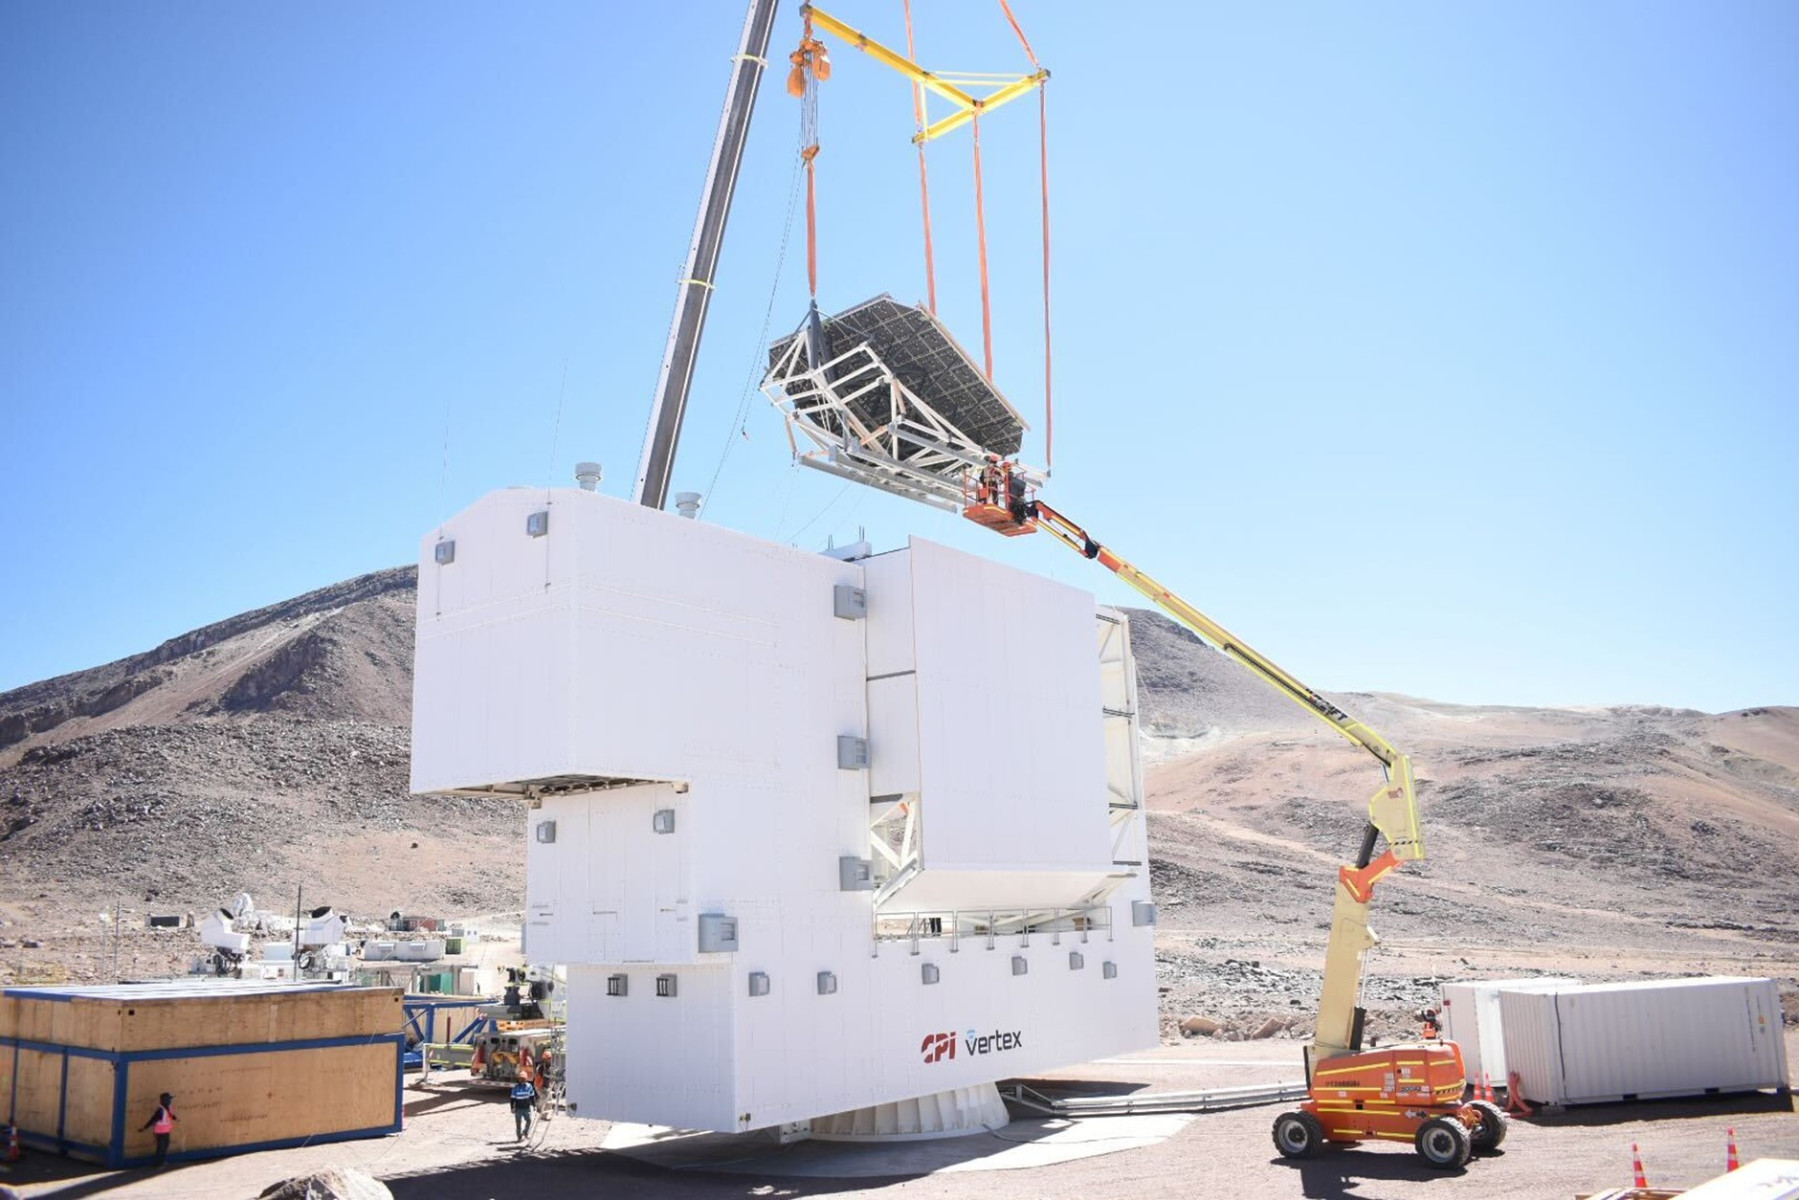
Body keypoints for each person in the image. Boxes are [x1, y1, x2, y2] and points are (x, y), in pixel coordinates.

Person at [139, 1092, 176, 1167]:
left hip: (166, 1131)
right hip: (160, 1132)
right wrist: (145, 1127)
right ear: (164, 1100)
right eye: (169, 1099)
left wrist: (174, 1118)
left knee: (165, 1146)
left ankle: (162, 1161)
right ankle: (158, 1163)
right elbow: (153, 1120)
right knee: (161, 1147)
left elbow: (170, 1116)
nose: (170, 1101)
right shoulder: (160, 1110)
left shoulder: (168, 1108)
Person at [510, 1072, 538, 1142]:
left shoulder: (529, 1086)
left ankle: (525, 1132)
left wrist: (534, 1105)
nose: (521, 1080)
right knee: (518, 1123)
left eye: (523, 1078)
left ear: (526, 1079)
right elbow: (512, 1099)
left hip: (526, 1108)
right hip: (518, 1109)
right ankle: (519, 1137)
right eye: (520, 1078)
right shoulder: (515, 1088)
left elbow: (532, 1097)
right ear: (518, 1079)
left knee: (529, 1121)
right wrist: (512, 1108)